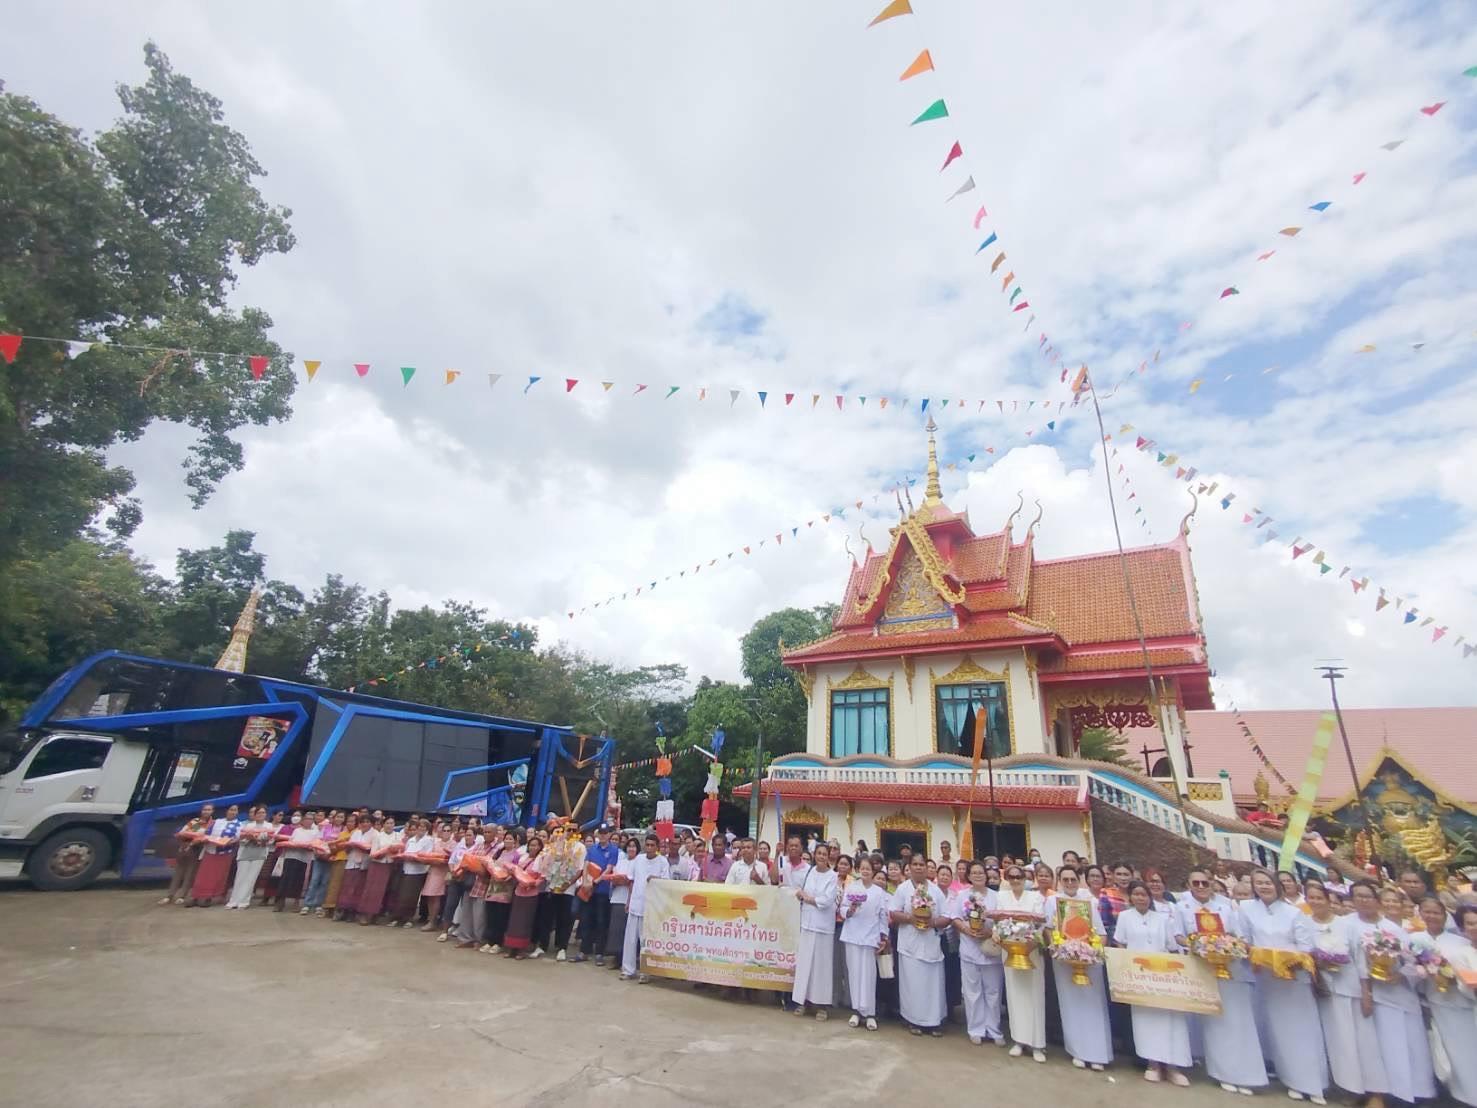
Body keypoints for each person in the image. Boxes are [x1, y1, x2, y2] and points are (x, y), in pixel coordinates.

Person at [1243, 867, 1327, 1104]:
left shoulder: (1294, 913)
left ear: (1277, 886)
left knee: (1304, 1031)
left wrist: (1289, 962)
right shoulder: (1246, 909)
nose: (1264, 887)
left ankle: (1313, 1083)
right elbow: (1244, 940)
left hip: (1294, 979)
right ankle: (1291, 1080)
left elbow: (1305, 946)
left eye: (1268, 882)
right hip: (1266, 980)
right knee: (1279, 1032)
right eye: (1259, 883)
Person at [1178, 866, 1265, 1094]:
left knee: (1239, 1022)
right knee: (1214, 1024)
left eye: (1204, 883)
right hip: (1203, 969)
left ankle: (1247, 1074)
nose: (1201, 887)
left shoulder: (1227, 907)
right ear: (1188, 886)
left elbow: (1240, 936)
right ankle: (1223, 1073)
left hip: (1231, 969)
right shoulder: (1182, 908)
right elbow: (1178, 935)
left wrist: (1229, 946)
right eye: (1195, 883)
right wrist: (1199, 945)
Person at [1359, 887, 1437, 1106]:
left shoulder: (1407, 932)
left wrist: (1402, 975)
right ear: (1379, 903)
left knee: (1413, 1044)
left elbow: (1417, 962)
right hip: (1380, 994)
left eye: (1395, 901)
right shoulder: (1370, 929)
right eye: (1387, 901)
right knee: (1388, 1045)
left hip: (1405, 993)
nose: (1391, 905)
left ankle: (1419, 1091)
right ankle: (1393, 1092)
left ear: (1403, 905)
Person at [1116, 880, 1192, 1086]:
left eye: (1144, 894)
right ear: (1130, 897)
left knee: (1172, 1021)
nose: (1140, 898)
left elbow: (1172, 947)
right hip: (1139, 977)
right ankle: (1153, 1064)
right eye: (1136, 894)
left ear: (1150, 897)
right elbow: (1120, 944)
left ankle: (1174, 1066)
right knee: (1146, 1022)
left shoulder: (1162, 919)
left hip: (1163, 977)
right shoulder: (1124, 917)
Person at [1309, 878, 1376, 1102]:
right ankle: (1343, 1086)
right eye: (1311, 898)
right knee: (1334, 1041)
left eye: (1320, 898)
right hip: (1323, 989)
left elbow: (1360, 961)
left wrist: (1366, 992)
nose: (1315, 901)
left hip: (1351, 988)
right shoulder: (1305, 924)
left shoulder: (1347, 925)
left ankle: (1364, 1088)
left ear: (1330, 900)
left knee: (1357, 1041)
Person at [1047, 864, 1113, 1071]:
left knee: (1093, 1005)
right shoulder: (1052, 902)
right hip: (1064, 959)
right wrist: (1061, 948)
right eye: (1065, 879)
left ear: (1079, 880)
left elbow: (1101, 933)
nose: (1069, 883)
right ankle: (1077, 1050)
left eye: (1072, 879)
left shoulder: (1089, 902)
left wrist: (1092, 952)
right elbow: (1049, 929)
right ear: (1059, 881)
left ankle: (1098, 1052)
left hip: (1088, 960)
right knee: (1070, 1004)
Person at [888, 854, 950, 1036]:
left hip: (931, 943)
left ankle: (934, 1022)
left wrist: (933, 922)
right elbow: (893, 912)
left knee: (933, 985)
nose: (918, 867)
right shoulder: (903, 889)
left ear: (926, 867)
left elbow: (947, 916)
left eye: (921, 864)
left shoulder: (936, 891)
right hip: (910, 943)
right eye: (914, 864)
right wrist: (910, 918)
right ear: (909, 867)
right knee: (912, 984)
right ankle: (913, 1020)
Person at [1424, 902, 1477, 1106]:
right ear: (1462, 927)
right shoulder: (1462, 954)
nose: (1475, 927)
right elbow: (1465, 988)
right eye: (1470, 923)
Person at [996, 862, 1049, 1061]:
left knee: (1035, 995)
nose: (1016, 880)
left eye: (1019, 877)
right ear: (1007, 879)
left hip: (1031, 950)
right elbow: (998, 921)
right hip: (1009, 949)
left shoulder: (1035, 897)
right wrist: (999, 934)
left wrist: (1031, 939)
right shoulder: (1002, 897)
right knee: (1014, 994)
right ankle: (1019, 1041)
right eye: (1012, 877)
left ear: (1025, 879)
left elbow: (1040, 923)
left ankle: (1037, 1044)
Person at [952, 860, 1006, 1047]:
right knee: (972, 992)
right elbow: (955, 918)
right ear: (968, 875)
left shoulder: (996, 897)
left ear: (986, 875)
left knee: (993, 992)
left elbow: (1002, 921)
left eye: (980, 872)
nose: (977, 875)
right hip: (969, 949)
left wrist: (990, 932)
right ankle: (976, 1029)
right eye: (973, 873)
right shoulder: (962, 896)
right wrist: (966, 930)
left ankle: (994, 1029)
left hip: (991, 948)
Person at [840, 855, 890, 1030]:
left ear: (873, 871)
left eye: (868, 868)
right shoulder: (852, 887)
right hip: (852, 935)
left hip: (870, 937)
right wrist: (850, 909)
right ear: (858, 870)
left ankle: (870, 1013)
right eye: (862, 868)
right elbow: (842, 908)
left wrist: (884, 936)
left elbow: (883, 915)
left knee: (868, 975)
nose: (865, 871)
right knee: (854, 973)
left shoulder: (878, 892)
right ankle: (856, 1011)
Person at [791, 843, 839, 1020]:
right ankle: (802, 1002)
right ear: (814, 855)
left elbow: (826, 901)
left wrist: (807, 898)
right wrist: (801, 896)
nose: (821, 856)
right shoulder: (810, 872)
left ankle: (821, 1006)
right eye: (818, 853)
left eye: (824, 854)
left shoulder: (832, 876)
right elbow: (803, 892)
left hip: (823, 927)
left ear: (828, 856)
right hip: (808, 924)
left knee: (821, 966)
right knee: (805, 965)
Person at [622, 833, 670, 983]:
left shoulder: (662, 862)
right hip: (635, 903)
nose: (649, 848)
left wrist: (656, 879)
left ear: (657, 847)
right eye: (647, 845)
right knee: (630, 940)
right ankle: (628, 970)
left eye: (652, 845)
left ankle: (645, 972)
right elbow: (631, 881)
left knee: (646, 941)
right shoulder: (639, 859)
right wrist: (628, 901)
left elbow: (666, 883)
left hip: (651, 907)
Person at [578, 824, 620, 965]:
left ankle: (600, 953)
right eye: (601, 833)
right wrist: (585, 882)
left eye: (605, 833)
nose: (602, 835)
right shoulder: (592, 849)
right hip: (588, 890)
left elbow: (608, 869)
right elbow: (586, 865)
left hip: (603, 890)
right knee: (586, 920)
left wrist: (594, 882)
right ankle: (584, 951)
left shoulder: (613, 850)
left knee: (601, 922)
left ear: (609, 835)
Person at [160, 804, 215, 905]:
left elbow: (205, 836)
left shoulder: (213, 824)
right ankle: (170, 896)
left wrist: (194, 837)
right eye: (204, 809)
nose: (206, 811)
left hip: (197, 849)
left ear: (212, 811)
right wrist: (190, 837)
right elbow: (182, 832)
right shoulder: (196, 821)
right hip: (184, 848)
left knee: (190, 874)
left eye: (209, 810)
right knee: (178, 872)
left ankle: (182, 896)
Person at [188, 803, 240, 907]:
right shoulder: (216, 821)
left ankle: (208, 897)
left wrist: (229, 841)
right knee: (202, 876)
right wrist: (203, 839)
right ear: (226, 811)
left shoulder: (239, 825)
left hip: (224, 854)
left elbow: (237, 838)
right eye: (230, 809)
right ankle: (195, 896)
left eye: (235, 810)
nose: (232, 812)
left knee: (216, 877)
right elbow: (205, 833)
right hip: (210, 851)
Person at [503, 835, 546, 959]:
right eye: (531, 845)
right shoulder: (523, 857)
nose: (533, 847)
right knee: (514, 921)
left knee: (525, 922)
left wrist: (532, 884)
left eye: (535, 845)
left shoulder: (541, 859)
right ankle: (511, 948)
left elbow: (542, 877)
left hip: (531, 894)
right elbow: (517, 871)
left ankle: (521, 950)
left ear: (540, 847)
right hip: (518, 892)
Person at [389, 817, 435, 927]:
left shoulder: (429, 840)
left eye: (424, 827)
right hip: (406, 869)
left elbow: (427, 856)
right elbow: (405, 852)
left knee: (411, 897)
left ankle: (408, 919)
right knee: (400, 895)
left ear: (427, 829)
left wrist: (415, 857)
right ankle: (397, 918)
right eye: (419, 827)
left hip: (418, 872)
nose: (421, 829)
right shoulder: (411, 840)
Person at [226, 806, 273, 909]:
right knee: (240, 877)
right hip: (245, 853)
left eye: (263, 812)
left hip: (259, 854)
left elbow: (270, 840)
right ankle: (233, 901)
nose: (261, 814)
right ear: (255, 815)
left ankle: (244, 902)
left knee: (251, 879)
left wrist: (259, 839)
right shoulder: (248, 825)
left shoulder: (269, 826)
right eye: (258, 813)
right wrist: (249, 837)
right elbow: (241, 839)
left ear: (266, 814)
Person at [355, 815, 400, 924]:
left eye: (392, 823)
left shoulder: (397, 836)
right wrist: (384, 852)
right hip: (378, 865)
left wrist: (394, 852)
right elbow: (373, 854)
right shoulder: (378, 836)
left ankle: (378, 914)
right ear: (383, 825)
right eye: (387, 823)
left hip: (391, 866)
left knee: (386, 891)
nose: (389, 825)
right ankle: (366, 914)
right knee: (373, 890)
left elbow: (400, 850)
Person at [278, 810, 321, 914]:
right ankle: (280, 901)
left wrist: (308, 847)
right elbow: (291, 841)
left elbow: (316, 845)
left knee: (299, 880)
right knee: (285, 878)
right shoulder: (297, 830)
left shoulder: (315, 832)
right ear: (303, 820)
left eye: (310, 819)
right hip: (291, 856)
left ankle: (296, 901)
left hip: (303, 858)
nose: (308, 821)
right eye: (306, 819)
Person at [605, 837, 638, 972]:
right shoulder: (621, 862)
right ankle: (616, 958)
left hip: (631, 900)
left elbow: (633, 881)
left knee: (628, 932)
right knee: (616, 930)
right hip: (617, 897)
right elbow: (614, 877)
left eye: (634, 846)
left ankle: (628, 960)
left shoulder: (638, 862)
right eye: (629, 846)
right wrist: (618, 880)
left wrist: (626, 881)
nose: (631, 849)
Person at [417, 821, 452, 931]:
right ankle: (431, 919)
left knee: (436, 897)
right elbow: (428, 855)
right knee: (429, 896)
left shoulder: (453, 844)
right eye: (444, 830)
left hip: (443, 873)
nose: (446, 832)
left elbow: (452, 860)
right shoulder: (436, 842)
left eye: (448, 831)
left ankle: (433, 921)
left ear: (451, 832)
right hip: (432, 871)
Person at [337, 815, 372, 922]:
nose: (365, 824)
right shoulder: (356, 833)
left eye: (367, 822)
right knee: (347, 888)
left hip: (363, 864)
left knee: (357, 889)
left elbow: (372, 850)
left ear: (371, 823)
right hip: (351, 861)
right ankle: (343, 910)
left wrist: (364, 848)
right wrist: (350, 846)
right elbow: (347, 849)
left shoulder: (374, 834)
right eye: (363, 822)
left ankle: (352, 912)